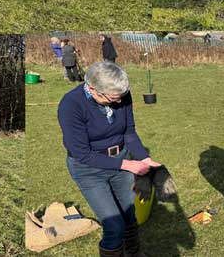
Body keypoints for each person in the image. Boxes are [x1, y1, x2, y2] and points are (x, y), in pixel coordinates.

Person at [58, 62, 160, 257]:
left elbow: (129, 132)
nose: (120, 101)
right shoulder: (71, 104)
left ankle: (134, 253)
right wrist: (128, 164)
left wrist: (145, 159)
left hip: (121, 161)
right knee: (114, 225)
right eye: (113, 98)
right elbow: (82, 153)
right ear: (92, 89)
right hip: (89, 170)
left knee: (130, 214)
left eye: (122, 96)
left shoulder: (120, 94)